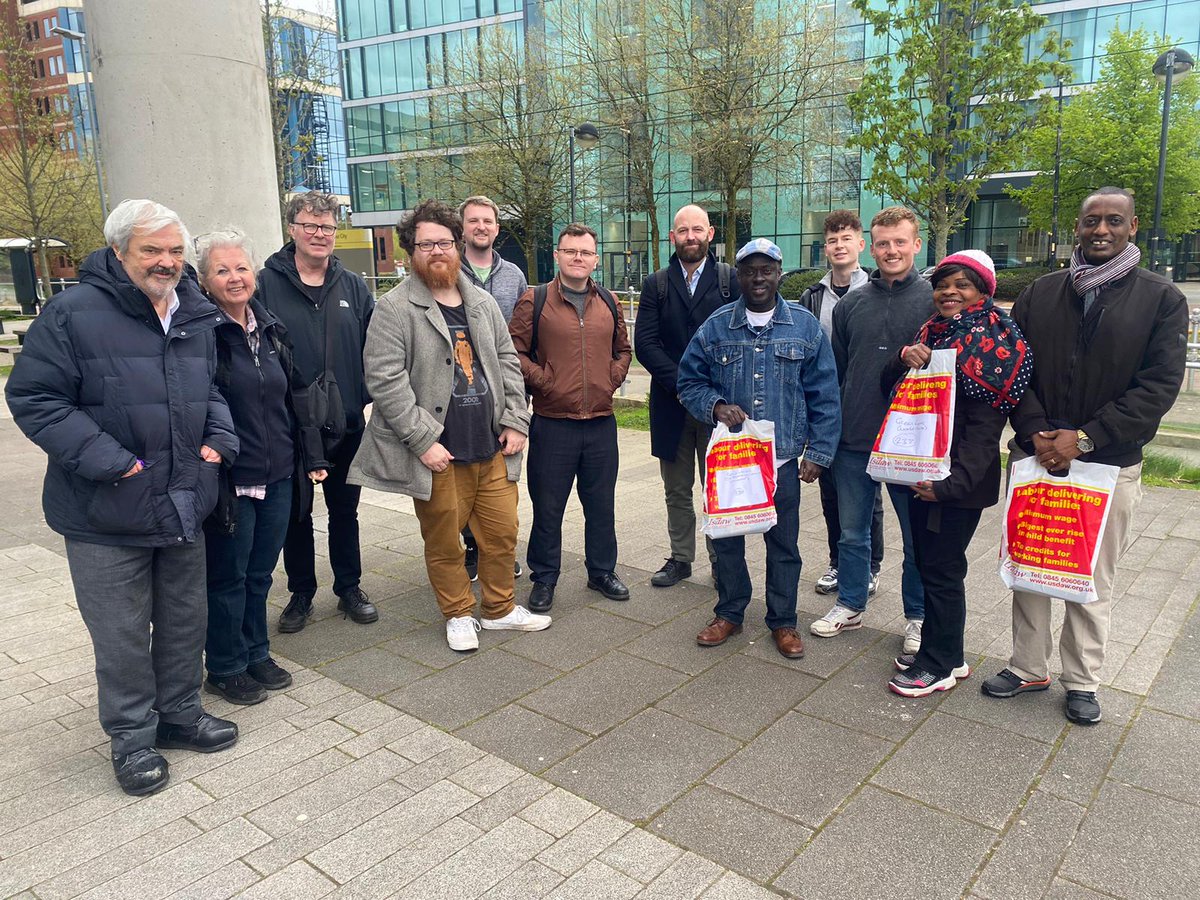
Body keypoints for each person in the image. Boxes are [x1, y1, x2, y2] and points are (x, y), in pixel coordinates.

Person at [5, 199, 240, 796]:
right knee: (122, 633)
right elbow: (36, 400)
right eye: (151, 251)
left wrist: (219, 440)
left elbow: (208, 387)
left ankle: (180, 715)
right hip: (106, 509)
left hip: (185, 496)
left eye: (174, 251)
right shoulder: (72, 313)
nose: (166, 263)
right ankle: (133, 739)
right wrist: (118, 465)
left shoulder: (193, 310)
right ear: (118, 253)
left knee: (186, 620)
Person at [982, 187, 1188, 724]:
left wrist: (1087, 437)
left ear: (1133, 226)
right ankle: (1028, 666)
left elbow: (1158, 387)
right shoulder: (1042, 293)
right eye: (1091, 221)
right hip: (1036, 454)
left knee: (1090, 576)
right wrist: (1036, 431)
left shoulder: (1161, 299)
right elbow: (1013, 368)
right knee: (1028, 565)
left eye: (1113, 221)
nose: (1101, 230)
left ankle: (1082, 680)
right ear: (1077, 226)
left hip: (1108, 462)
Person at [348, 200, 548, 651]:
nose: (436, 250)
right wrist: (422, 440)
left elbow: (507, 362)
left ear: (456, 245)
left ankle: (498, 609)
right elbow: (384, 379)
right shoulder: (394, 307)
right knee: (444, 541)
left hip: (493, 446)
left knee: (501, 535)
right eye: (425, 243)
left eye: (443, 242)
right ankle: (458, 613)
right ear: (410, 250)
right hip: (440, 454)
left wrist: (517, 421)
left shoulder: (480, 301)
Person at [678, 239, 841, 659]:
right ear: (739, 277)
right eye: (749, 270)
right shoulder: (716, 327)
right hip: (731, 461)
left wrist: (819, 453)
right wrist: (714, 405)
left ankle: (783, 621)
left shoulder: (804, 328)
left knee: (783, 544)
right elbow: (688, 382)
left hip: (782, 459)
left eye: (766, 270)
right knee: (728, 541)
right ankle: (730, 612)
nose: (758, 278)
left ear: (779, 274)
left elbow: (824, 394)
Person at [883, 251, 1033, 697]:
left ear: (983, 291)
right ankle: (947, 649)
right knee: (934, 566)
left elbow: (985, 428)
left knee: (942, 569)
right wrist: (902, 358)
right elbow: (896, 391)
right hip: (923, 470)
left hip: (953, 484)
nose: (949, 292)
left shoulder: (993, 341)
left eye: (962, 285)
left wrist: (950, 486)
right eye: (943, 284)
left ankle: (938, 665)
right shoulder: (934, 332)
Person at [197, 230, 328, 705]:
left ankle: (256, 652)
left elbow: (295, 399)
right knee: (227, 577)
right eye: (222, 270)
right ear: (205, 280)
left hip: (278, 475)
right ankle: (226, 664)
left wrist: (312, 457)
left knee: (259, 575)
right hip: (231, 478)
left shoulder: (269, 329)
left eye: (242, 268)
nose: (235, 278)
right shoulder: (203, 336)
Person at [812, 206, 932, 653]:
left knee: (915, 537)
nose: (891, 250)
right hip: (854, 435)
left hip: (911, 442)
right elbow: (839, 371)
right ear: (872, 246)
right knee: (851, 531)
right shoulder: (852, 304)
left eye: (900, 241)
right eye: (884, 242)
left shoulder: (933, 300)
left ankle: (917, 616)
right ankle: (851, 603)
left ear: (916, 245)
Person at [257, 191, 377, 631]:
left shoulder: (352, 286)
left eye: (327, 226)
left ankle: (349, 587)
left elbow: (375, 346)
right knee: (297, 514)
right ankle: (301, 592)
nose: (320, 234)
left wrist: (361, 395)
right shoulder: (265, 284)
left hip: (344, 423)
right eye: (310, 225)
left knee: (346, 510)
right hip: (289, 426)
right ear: (292, 229)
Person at [508, 223, 633, 613]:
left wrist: (611, 380)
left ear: (595, 259)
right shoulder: (536, 299)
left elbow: (623, 349)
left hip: (599, 423)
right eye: (570, 251)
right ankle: (544, 578)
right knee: (548, 507)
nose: (578, 258)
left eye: (585, 252)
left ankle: (601, 572)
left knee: (601, 504)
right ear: (558, 255)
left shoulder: (609, 301)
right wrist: (544, 381)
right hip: (552, 422)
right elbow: (513, 351)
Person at [634, 204, 740, 589]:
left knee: (718, 489)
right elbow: (645, 343)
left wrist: (707, 393)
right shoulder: (656, 284)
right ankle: (681, 558)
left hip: (720, 409)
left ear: (710, 233)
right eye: (683, 230)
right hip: (672, 403)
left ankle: (721, 561)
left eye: (697, 229)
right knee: (676, 489)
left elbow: (741, 337)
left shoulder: (731, 280)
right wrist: (686, 385)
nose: (690, 236)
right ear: (672, 237)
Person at [798, 209, 883, 599]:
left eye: (846, 239)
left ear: (860, 244)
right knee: (831, 489)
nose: (838, 246)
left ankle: (869, 566)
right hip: (825, 408)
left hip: (866, 405)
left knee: (868, 493)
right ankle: (838, 562)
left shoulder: (879, 290)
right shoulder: (812, 296)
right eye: (831, 240)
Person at [458, 195, 529, 581]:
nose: (481, 227)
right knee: (465, 470)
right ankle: (471, 548)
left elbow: (520, 337)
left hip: (502, 389)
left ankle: (498, 548)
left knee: (501, 473)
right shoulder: (449, 270)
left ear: (497, 229)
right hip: (462, 387)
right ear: (463, 228)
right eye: (473, 221)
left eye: (487, 221)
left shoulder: (514, 276)